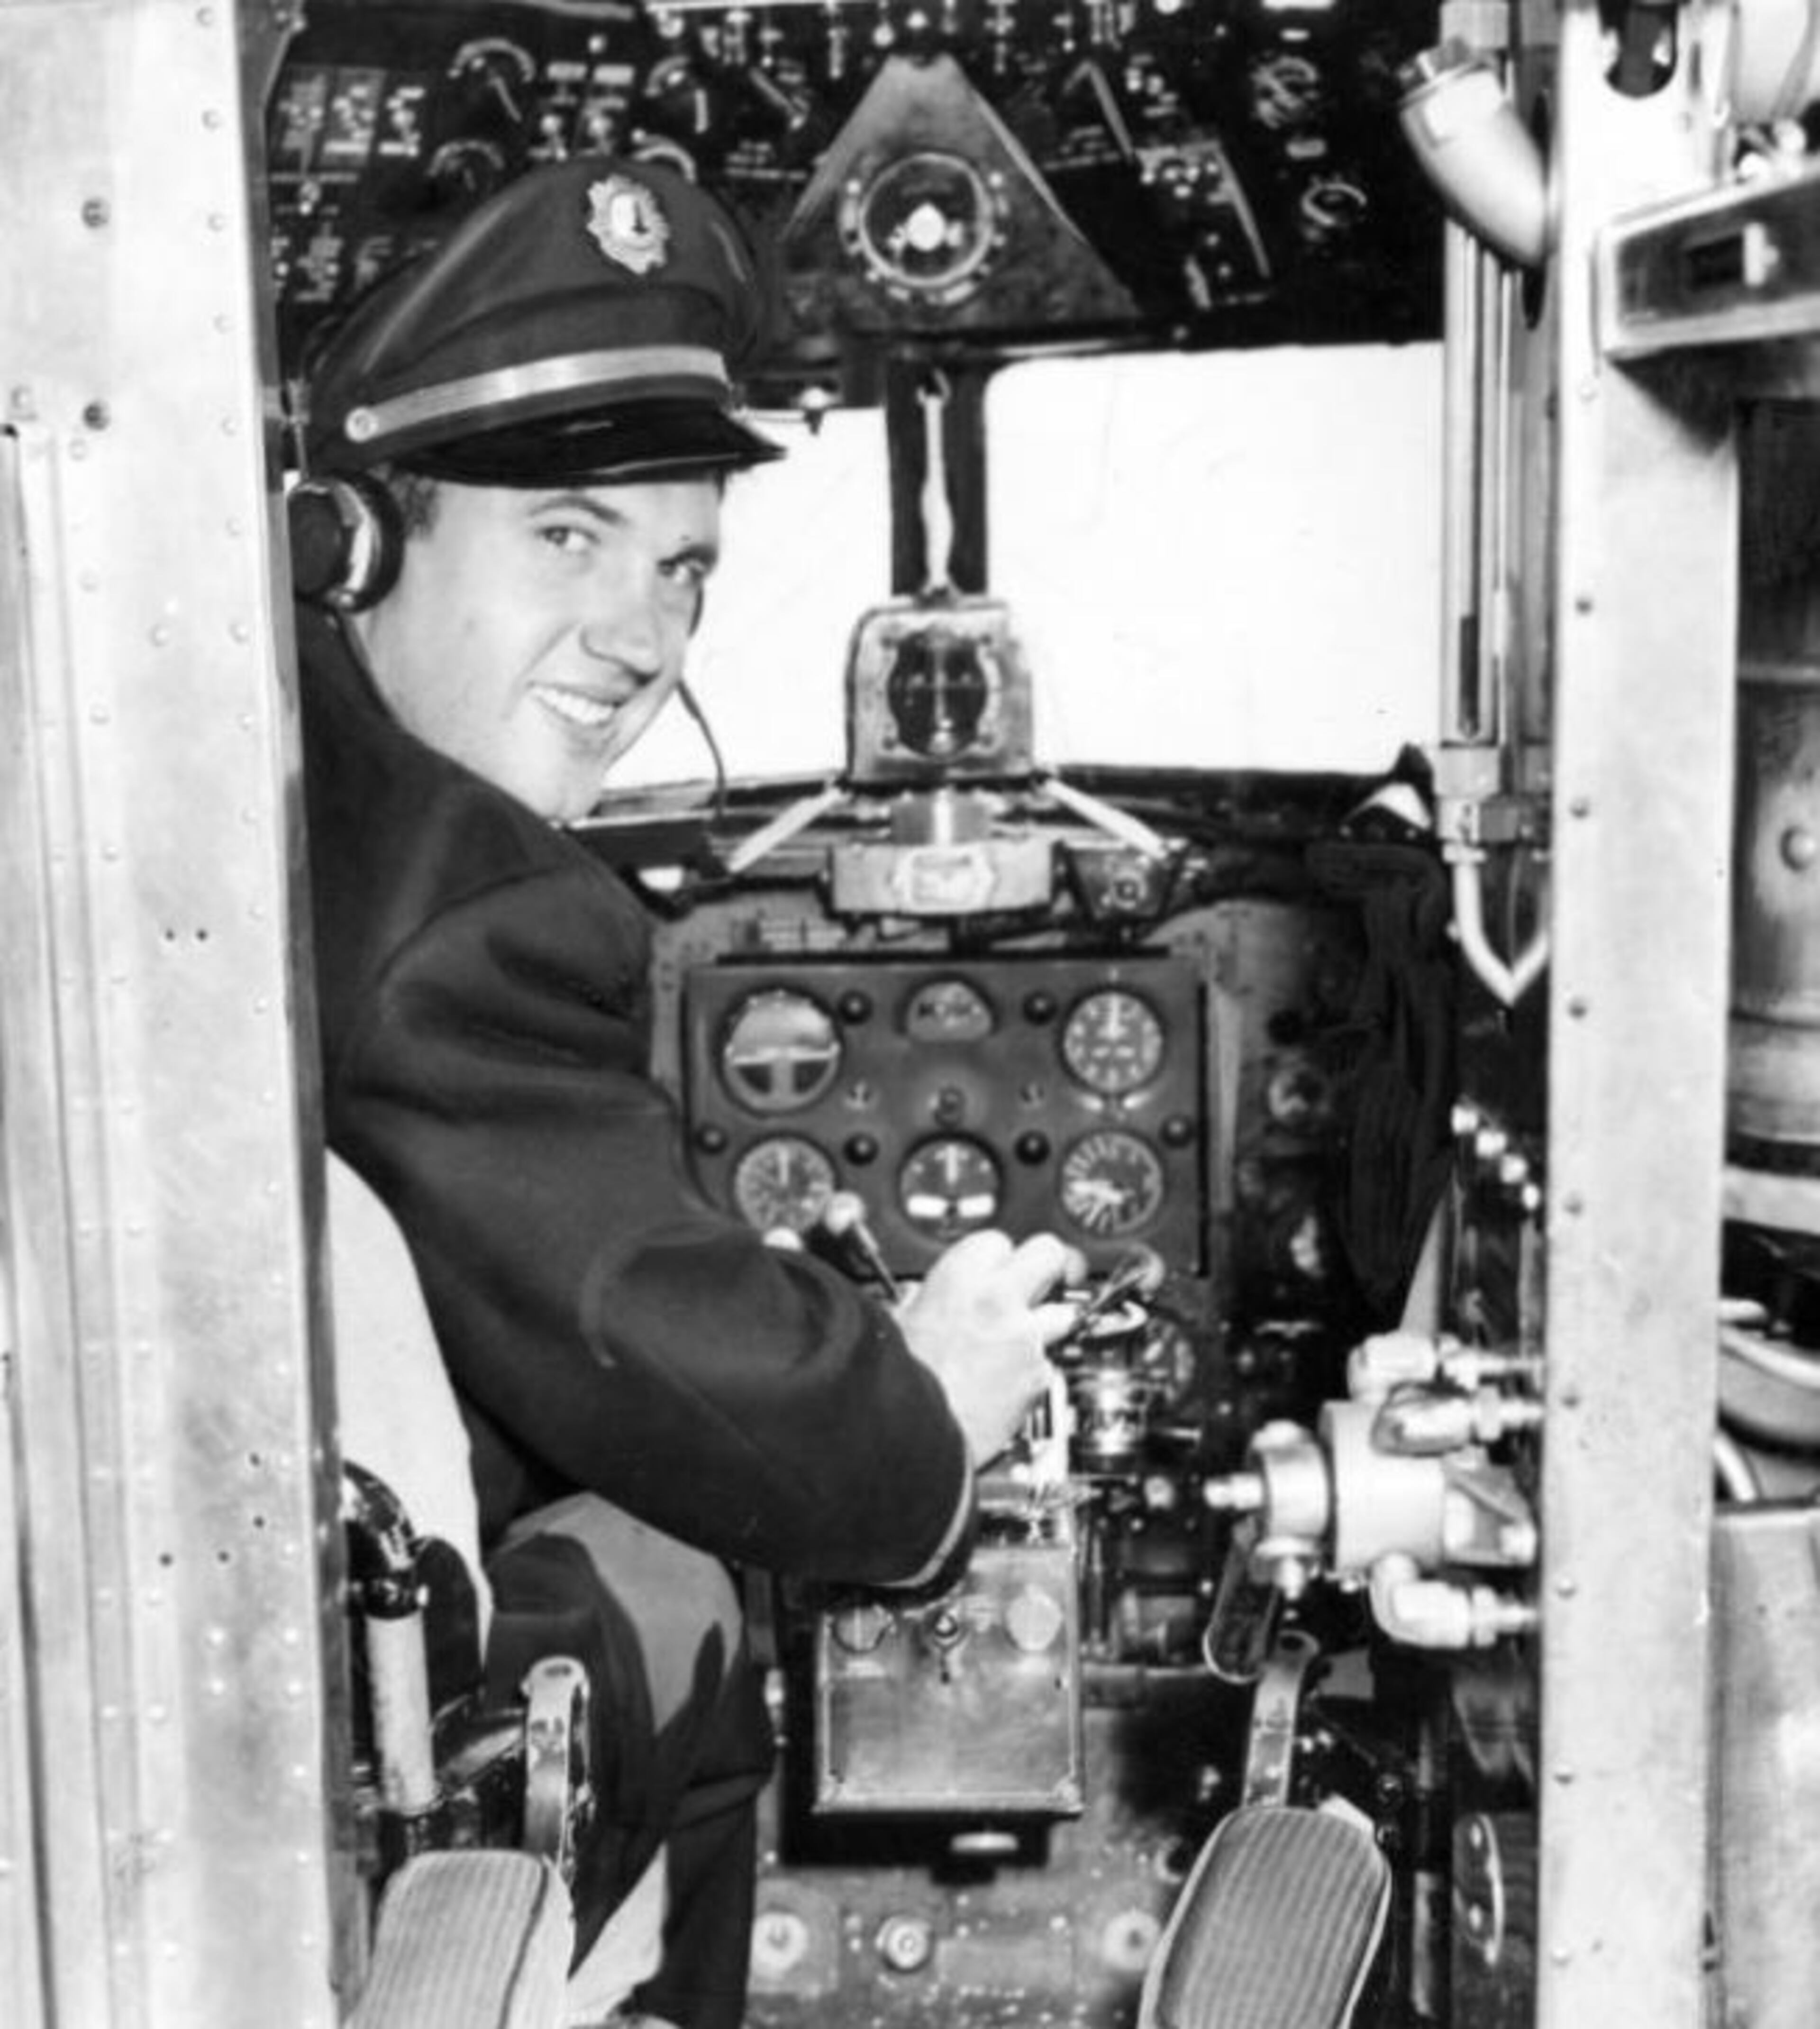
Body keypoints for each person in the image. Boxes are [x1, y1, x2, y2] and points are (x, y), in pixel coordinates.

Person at [294, 156, 1083, 2029]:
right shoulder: (456, 909)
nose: (643, 640)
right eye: (568, 538)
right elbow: (657, 1336)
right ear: (356, 543)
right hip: (379, 1732)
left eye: (681, 569)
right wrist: (932, 1410)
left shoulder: (300, 801)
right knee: (692, 1559)